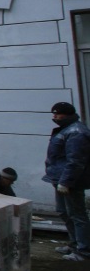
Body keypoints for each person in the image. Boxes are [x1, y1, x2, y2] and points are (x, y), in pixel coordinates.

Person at [43, 102, 90, 261]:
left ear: (68, 114)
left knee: (77, 214)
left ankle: (84, 251)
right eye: (53, 113)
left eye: (57, 114)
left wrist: (66, 181)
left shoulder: (76, 132)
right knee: (63, 212)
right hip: (59, 178)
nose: (54, 117)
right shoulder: (65, 129)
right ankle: (74, 244)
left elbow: (76, 160)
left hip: (71, 181)